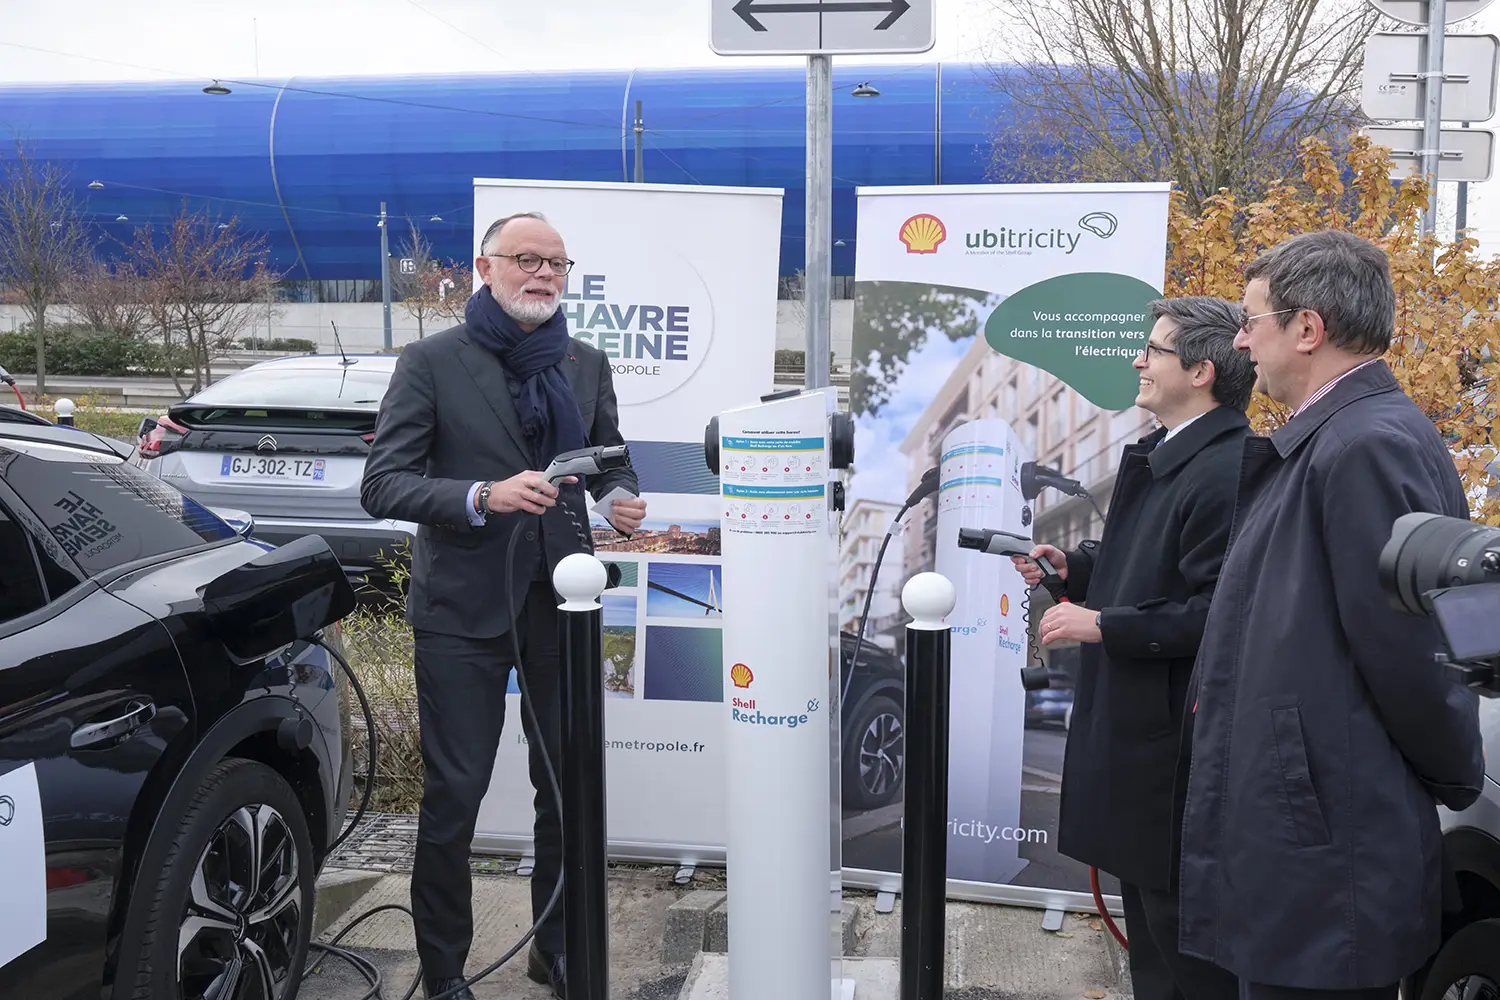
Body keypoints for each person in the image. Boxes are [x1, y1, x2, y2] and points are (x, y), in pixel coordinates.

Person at [1176, 230, 1486, 1000]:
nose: (1242, 340)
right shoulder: (1335, 441)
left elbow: (1418, 655)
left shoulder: (1364, 447)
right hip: (1311, 837)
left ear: (1307, 329)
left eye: (1252, 321)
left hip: (1329, 846)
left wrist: (1456, 777)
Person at [361, 211, 646, 1000]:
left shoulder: (585, 363)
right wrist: (482, 495)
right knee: (455, 798)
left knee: (566, 786)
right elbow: (381, 484)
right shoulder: (430, 362)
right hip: (463, 612)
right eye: (526, 259)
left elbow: (611, 457)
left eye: (557, 262)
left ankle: (554, 951)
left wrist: (621, 498)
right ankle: (445, 970)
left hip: (564, 602)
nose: (544, 274)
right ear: (484, 269)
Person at [1013, 296, 1255, 1000]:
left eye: (1154, 349)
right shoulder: (1168, 456)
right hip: (1140, 750)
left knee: (1185, 961)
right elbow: (1155, 566)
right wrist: (1078, 569)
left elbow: (1221, 613)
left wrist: (1101, 624)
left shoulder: (1228, 469)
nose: (1137, 359)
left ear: (1202, 371)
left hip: (1175, 761)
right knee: (1151, 951)